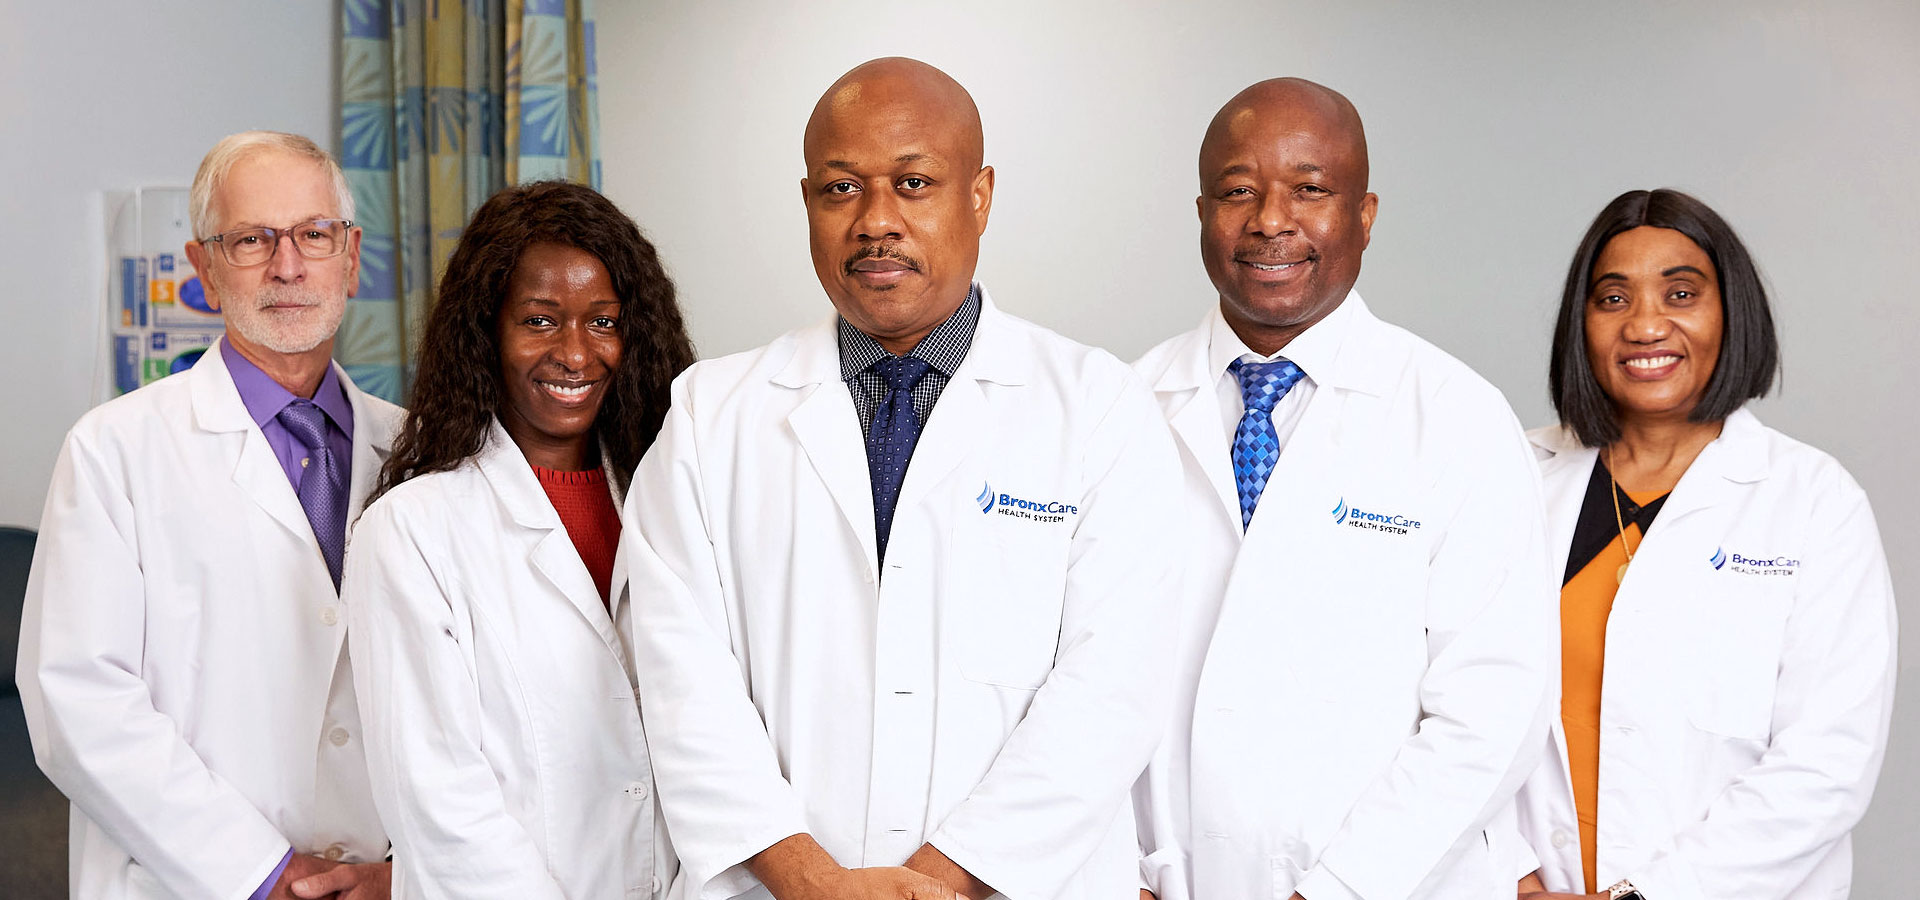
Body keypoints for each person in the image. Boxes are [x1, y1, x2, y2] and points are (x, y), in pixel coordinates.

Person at [621, 57, 1184, 900]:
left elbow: (1113, 688)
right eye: (841, 190)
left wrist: (938, 884)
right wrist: (810, 882)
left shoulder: (1099, 407)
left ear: (981, 195)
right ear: (807, 200)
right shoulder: (712, 413)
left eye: (913, 183)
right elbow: (678, 674)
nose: (875, 221)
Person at [1130, 78, 1556, 900]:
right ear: (1201, 212)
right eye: (1238, 191)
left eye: (1310, 190)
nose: (1269, 220)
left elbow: (1492, 709)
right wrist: (1113, 874)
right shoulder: (1123, 408)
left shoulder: (1456, 416)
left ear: (1364, 216)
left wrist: (1342, 889)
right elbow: (1072, 676)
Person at [17, 131, 394, 899]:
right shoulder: (114, 452)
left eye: (314, 236)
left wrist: (410, 874)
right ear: (205, 271)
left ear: (350, 260)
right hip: (196, 882)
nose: (287, 266)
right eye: (252, 239)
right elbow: (79, 703)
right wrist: (265, 871)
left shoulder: (418, 448)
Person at [1512, 189, 1897, 900]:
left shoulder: (1814, 502)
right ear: (1582, 323)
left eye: (1681, 293)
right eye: (1613, 299)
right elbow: (1443, 702)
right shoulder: (1508, 477)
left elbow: (1826, 763)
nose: (1646, 325)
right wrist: (1513, 877)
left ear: (1730, 313)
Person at [340, 181, 694, 898]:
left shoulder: (674, 504)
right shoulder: (412, 533)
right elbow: (442, 810)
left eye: (603, 321)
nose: (575, 353)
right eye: (539, 320)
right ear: (485, 332)